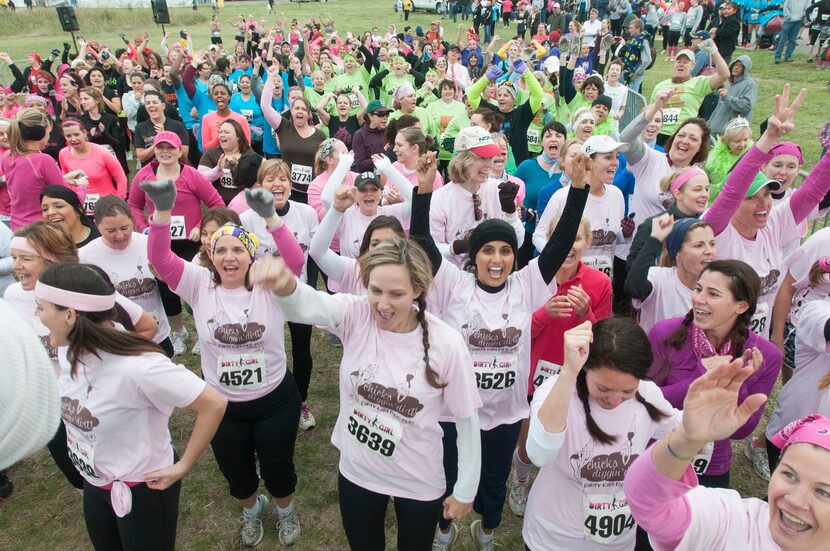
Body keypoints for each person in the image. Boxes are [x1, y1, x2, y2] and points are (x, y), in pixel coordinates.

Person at [252, 218, 483, 549]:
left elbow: (466, 418)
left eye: (397, 294)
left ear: (418, 290)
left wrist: (465, 488)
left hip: (418, 478)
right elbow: (310, 305)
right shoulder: (357, 314)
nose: (383, 304)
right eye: (375, 290)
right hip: (359, 472)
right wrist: (285, 285)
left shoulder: (447, 344)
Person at [408, 144, 589, 549]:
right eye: (487, 250)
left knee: (493, 477)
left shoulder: (527, 285)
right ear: (473, 257)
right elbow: (421, 242)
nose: (497, 258)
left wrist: (578, 188)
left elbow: (558, 246)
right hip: (455, 409)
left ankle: (487, 530)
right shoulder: (455, 285)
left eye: (505, 250)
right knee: (450, 471)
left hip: (506, 412)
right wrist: (422, 190)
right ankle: (443, 528)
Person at [143, 180, 306, 548]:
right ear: (211, 255)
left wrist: (271, 218)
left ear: (251, 254)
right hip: (221, 405)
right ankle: (251, 510)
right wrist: (162, 214)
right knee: (237, 473)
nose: (229, 257)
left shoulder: (267, 282)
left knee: (279, 468)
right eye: (221, 250)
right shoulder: (198, 283)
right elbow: (161, 259)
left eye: (237, 249)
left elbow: (295, 262)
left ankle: (284, 509)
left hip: (275, 399)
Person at [34, 262, 226, 550]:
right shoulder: (66, 348)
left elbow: (213, 403)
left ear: (70, 315)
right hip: (95, 483)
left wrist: (183, 465)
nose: (38, 316)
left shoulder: (139, 367)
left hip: (143, 488)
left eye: (41, 308)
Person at [521, 318, 679, 550]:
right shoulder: (557, 390)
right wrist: (567, 373)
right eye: (603, 388)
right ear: (585, 368)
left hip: (618, 540)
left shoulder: (647, 395)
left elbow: (679, 428)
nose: (614, 400)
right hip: (554, 538)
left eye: (627, 391)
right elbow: (539, 454)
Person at [507, 211, 613, 517]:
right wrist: (544, 314)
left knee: (565, 434)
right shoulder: (531, 276)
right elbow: (513, 333)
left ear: (588, 242)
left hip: (575, 375)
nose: (568, 246)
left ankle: (556, 486)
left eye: (576, 239)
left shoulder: (599, 282)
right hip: (533, 373)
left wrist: (585, 313)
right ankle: (521, 478)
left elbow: (604, 339)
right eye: (560, 238)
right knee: (528, 438)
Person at [647, 260, 782, 487]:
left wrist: (738, 383)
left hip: (711, 461)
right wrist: (700, 376)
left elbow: (742, 432)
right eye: (698, 289)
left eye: (713, 293)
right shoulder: (665, 333)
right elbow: (646, 403)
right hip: (659, 447)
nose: (698, 298)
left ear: (741, 306)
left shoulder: (766, 355)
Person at [239, 160, 321, 430]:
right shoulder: (248, 219)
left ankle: (301, 402)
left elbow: (312, 256)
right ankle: (265, 400)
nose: (278, 184)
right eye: (270, 180)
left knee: (301, 351)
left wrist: (309, 288)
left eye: (283, 179)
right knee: (264, 349)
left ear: (290, 184)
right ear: (259, 186)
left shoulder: (307, 213)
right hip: (264, 299)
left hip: (297, 293)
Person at [128, 131, 225, 355]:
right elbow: (133, 205)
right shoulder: (145, 175)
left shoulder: (191, 174)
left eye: (170, 148)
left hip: (190, 244)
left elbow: (216, 203)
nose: (165, 152)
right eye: (160, 147)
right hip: (159, 245)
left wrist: (199, 227)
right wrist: (144, 229)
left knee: (200, 289)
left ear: (179, 151)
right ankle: (178, 332)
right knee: (166, 291)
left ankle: (204, 330)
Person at [80, 195, 175, 357]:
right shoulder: (84, 257)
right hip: (117, 339)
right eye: (110, 231)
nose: (120, 235)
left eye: (125, 228)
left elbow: (174, 285)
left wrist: (164, 278)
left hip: (157, 333)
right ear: (96, 225)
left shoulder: (149, 243)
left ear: (132, 221)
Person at [428, 127, 525, 268]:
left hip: (493, 275)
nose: (488, 164)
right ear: (463, 159)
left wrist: (510, 213)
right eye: (481, 158)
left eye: (490, 157)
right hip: (455, 280)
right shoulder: (440, 198)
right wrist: (455, 248)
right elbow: (431, 249)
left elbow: (517, 242)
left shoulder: (497, 189)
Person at [533, 135, 628, 280]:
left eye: (617, 157)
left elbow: (611, 239)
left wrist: (626, 235)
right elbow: (539, 235)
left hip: (602, 285)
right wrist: (559, 255)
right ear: (588, 161)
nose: (615, 163)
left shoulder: (617, 195)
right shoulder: (562, 197)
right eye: (608, 157)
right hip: (568, 284)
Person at [2, 108, 87, 229]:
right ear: (39, 133)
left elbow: (30, 185)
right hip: (42, 231)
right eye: (48, 131)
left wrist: (63, 179)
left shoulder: (7, 156)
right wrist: (82, 186)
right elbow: (72, 202)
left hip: (17, 228)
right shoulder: (43, 161)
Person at [261, 65, 326, 204]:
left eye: (304, 109)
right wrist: (271, 78)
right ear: (291, 111)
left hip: (311, 193)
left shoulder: (320, 135)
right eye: (296, 108)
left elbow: (323, 165)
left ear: (309, 115)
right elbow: (265, 106)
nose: (300, 111)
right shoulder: (284, 127)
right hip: (286, 192)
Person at [467, 58, 545, 165]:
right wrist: (486, 78)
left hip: (517, 166)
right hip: (494, 165)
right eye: (499, 95)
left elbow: (538, 95)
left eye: (506, 95)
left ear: (514, 99)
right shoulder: (491, 112)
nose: (501, 98)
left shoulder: (522, 113)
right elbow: (472, 96)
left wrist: (526, 72)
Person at [649, 41, 728, 144]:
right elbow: (650, 111)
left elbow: (724, 75)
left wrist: (714, 51)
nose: (681, 64)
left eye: (686, 62)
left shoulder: (699, 83)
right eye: (678, 61)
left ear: (692, 66)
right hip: (658, 134)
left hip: (683, 136)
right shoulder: (660, 86)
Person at [58, 119, 128, 212]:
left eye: (76, 134)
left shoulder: (102, 152)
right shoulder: (63, 153)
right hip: (79, 205)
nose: (73, 139)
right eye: (68, 136)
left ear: (84, 133)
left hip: (106, 205)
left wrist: (119, 203)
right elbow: (66, 180)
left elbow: (121, 178)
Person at [198, 119, 263, 205]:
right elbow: (199, 179)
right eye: (220, 132)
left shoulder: (251, 156)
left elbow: (264, 179)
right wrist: (217, 170)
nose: (222, 135)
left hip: (244, 206)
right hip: (216, 206)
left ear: (238, 136)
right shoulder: (211, 153)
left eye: (226, 132)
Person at [133, 90, 190, 165]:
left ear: (163, 106)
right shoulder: (140, 128)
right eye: (147, 103)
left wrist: (165, 136)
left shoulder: (178, 126)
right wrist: (158, 141)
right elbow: (141, 157)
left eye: (155, 102)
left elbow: (184, 153)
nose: (151, 105)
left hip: (174, 169)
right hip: (151, 171)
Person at [708, 56, 756, 136]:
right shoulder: (729, 84)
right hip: (714, 132)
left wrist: (728, 98)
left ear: (745, 69)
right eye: (735, 65)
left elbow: (747, 105)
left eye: (740, 66)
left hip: (731, 135)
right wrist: (709, 123)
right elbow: (719, 107)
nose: (736, 67)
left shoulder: (750, 84)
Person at [40, 185, 101, 249]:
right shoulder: (43, 246)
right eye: (45, 209)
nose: (50, 213)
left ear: (79, 209)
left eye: (59, 206)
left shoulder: (102, 239)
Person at [705, 117, 752, 194]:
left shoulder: (752, 155)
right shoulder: (714, 160)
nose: (742, 144)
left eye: (745, 139)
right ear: (726, 141)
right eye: (737, 141)